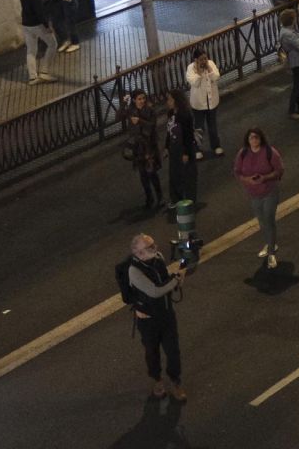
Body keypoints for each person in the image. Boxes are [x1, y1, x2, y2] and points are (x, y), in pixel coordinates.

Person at [122, 233, 189, 401]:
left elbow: (164, 281)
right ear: (139, 253)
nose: (155, 248)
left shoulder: (157, 258)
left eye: (154, 245)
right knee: (152, 353)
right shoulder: (133, 271)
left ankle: (175, 381)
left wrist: (177, 279)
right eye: (150, 247)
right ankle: (157, 381)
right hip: (148, 320)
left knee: (173, 351)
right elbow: (154, 291)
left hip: (166, 315)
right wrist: (176, 280)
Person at [233, 128, 285, 270]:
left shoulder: (270, 152)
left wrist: (265, 178)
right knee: (262, 222)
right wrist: (247, 180)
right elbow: (237, 172)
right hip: (254, 194)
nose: (254, 140)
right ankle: (270, 243)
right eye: (251, 138)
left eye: (256, 137)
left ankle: (272, 253)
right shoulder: (242, 154)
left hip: (269, 191)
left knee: (268, 219)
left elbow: (279, 170)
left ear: (261, 139)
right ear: (247, 140)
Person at [124, 89, 163, 212]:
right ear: (134, 100)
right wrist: (122, 103)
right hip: (138, 147)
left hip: (149, 147)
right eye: (139, 99)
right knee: (143, 175)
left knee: (152, 173)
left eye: (143, 98)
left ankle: (159, 197)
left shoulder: (150, 111)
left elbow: (152, 126)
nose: (142, 101)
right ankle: (149, 199)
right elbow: (118, 115)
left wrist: (140, 121)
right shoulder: (131, 110)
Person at [17, 0, 57, 85]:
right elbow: (39, 11)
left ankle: (33, 77)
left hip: (26, 24)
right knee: (53, 44)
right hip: (37, 24)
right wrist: (47, 25)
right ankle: (44, 72)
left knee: (31, 50)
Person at [164, 90, 199, 209]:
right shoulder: (171, 113)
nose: (168, 102)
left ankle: (190, 200)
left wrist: (186, 153)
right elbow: (169, 131)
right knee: (174, 174)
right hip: (174, 148)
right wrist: (166, 147)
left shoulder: (184, 115)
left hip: (184, 148)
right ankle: (175, 198)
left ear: (176, 100)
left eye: (170, 99)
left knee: (188, 176)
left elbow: (188, 135)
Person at [185, 50, 220, 160]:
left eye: (205, 58)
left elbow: (216, 77)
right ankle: (197, 149)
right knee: (199, 128)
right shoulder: (191, 68)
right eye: (201, 59)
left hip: (212, 102)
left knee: (212, 126)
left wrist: (209, 69)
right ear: (196, 60)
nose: (204, 61)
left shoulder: (211, 63)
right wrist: (199, 73)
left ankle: (216, 146)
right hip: (198, 104)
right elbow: (194, 83)